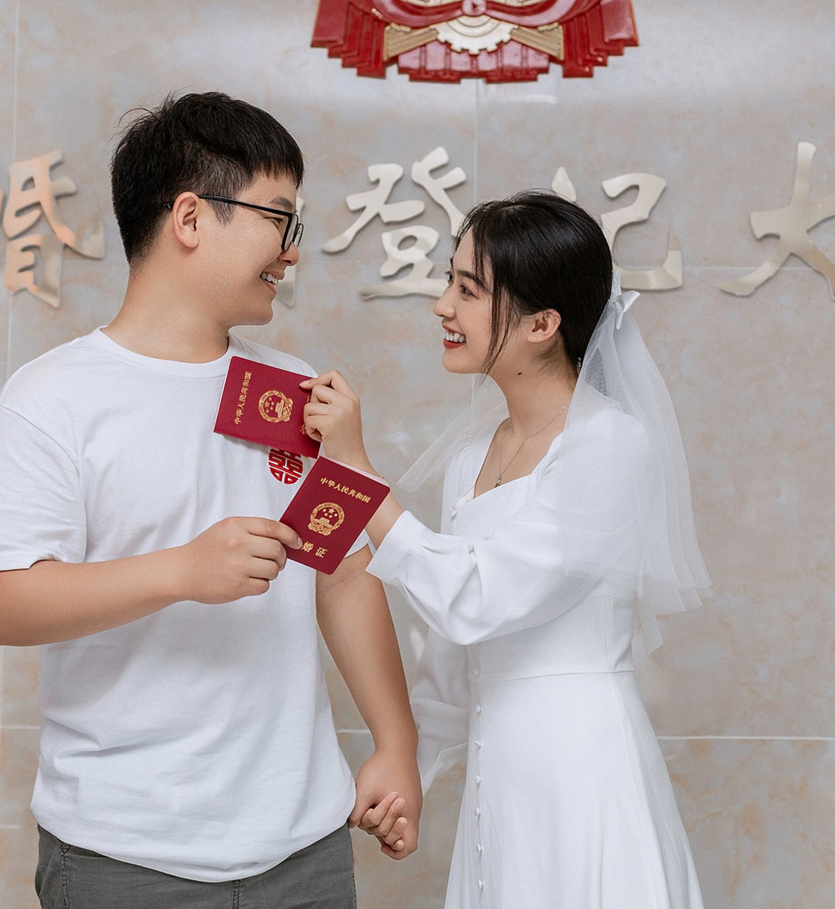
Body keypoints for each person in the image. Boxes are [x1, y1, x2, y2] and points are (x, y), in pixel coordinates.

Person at [0, 91, 421, 909]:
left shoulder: (294, 391)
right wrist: (181, 570)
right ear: (192, 217)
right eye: (279, 218)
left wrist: (396, 742)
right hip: (124, 856)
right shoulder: (51, 398)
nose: (292, 251)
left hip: (304, 850)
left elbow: (344, 571)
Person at [304, 191, 710, 907]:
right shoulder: (472, 457)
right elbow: (452, 656)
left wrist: (358, 473)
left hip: (582, 773)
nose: (442, 306)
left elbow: (477, 597)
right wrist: (410, 774)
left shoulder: (609, 446)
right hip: (501, 783)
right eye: (449, 282)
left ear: (542, 324)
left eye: (467, 290)